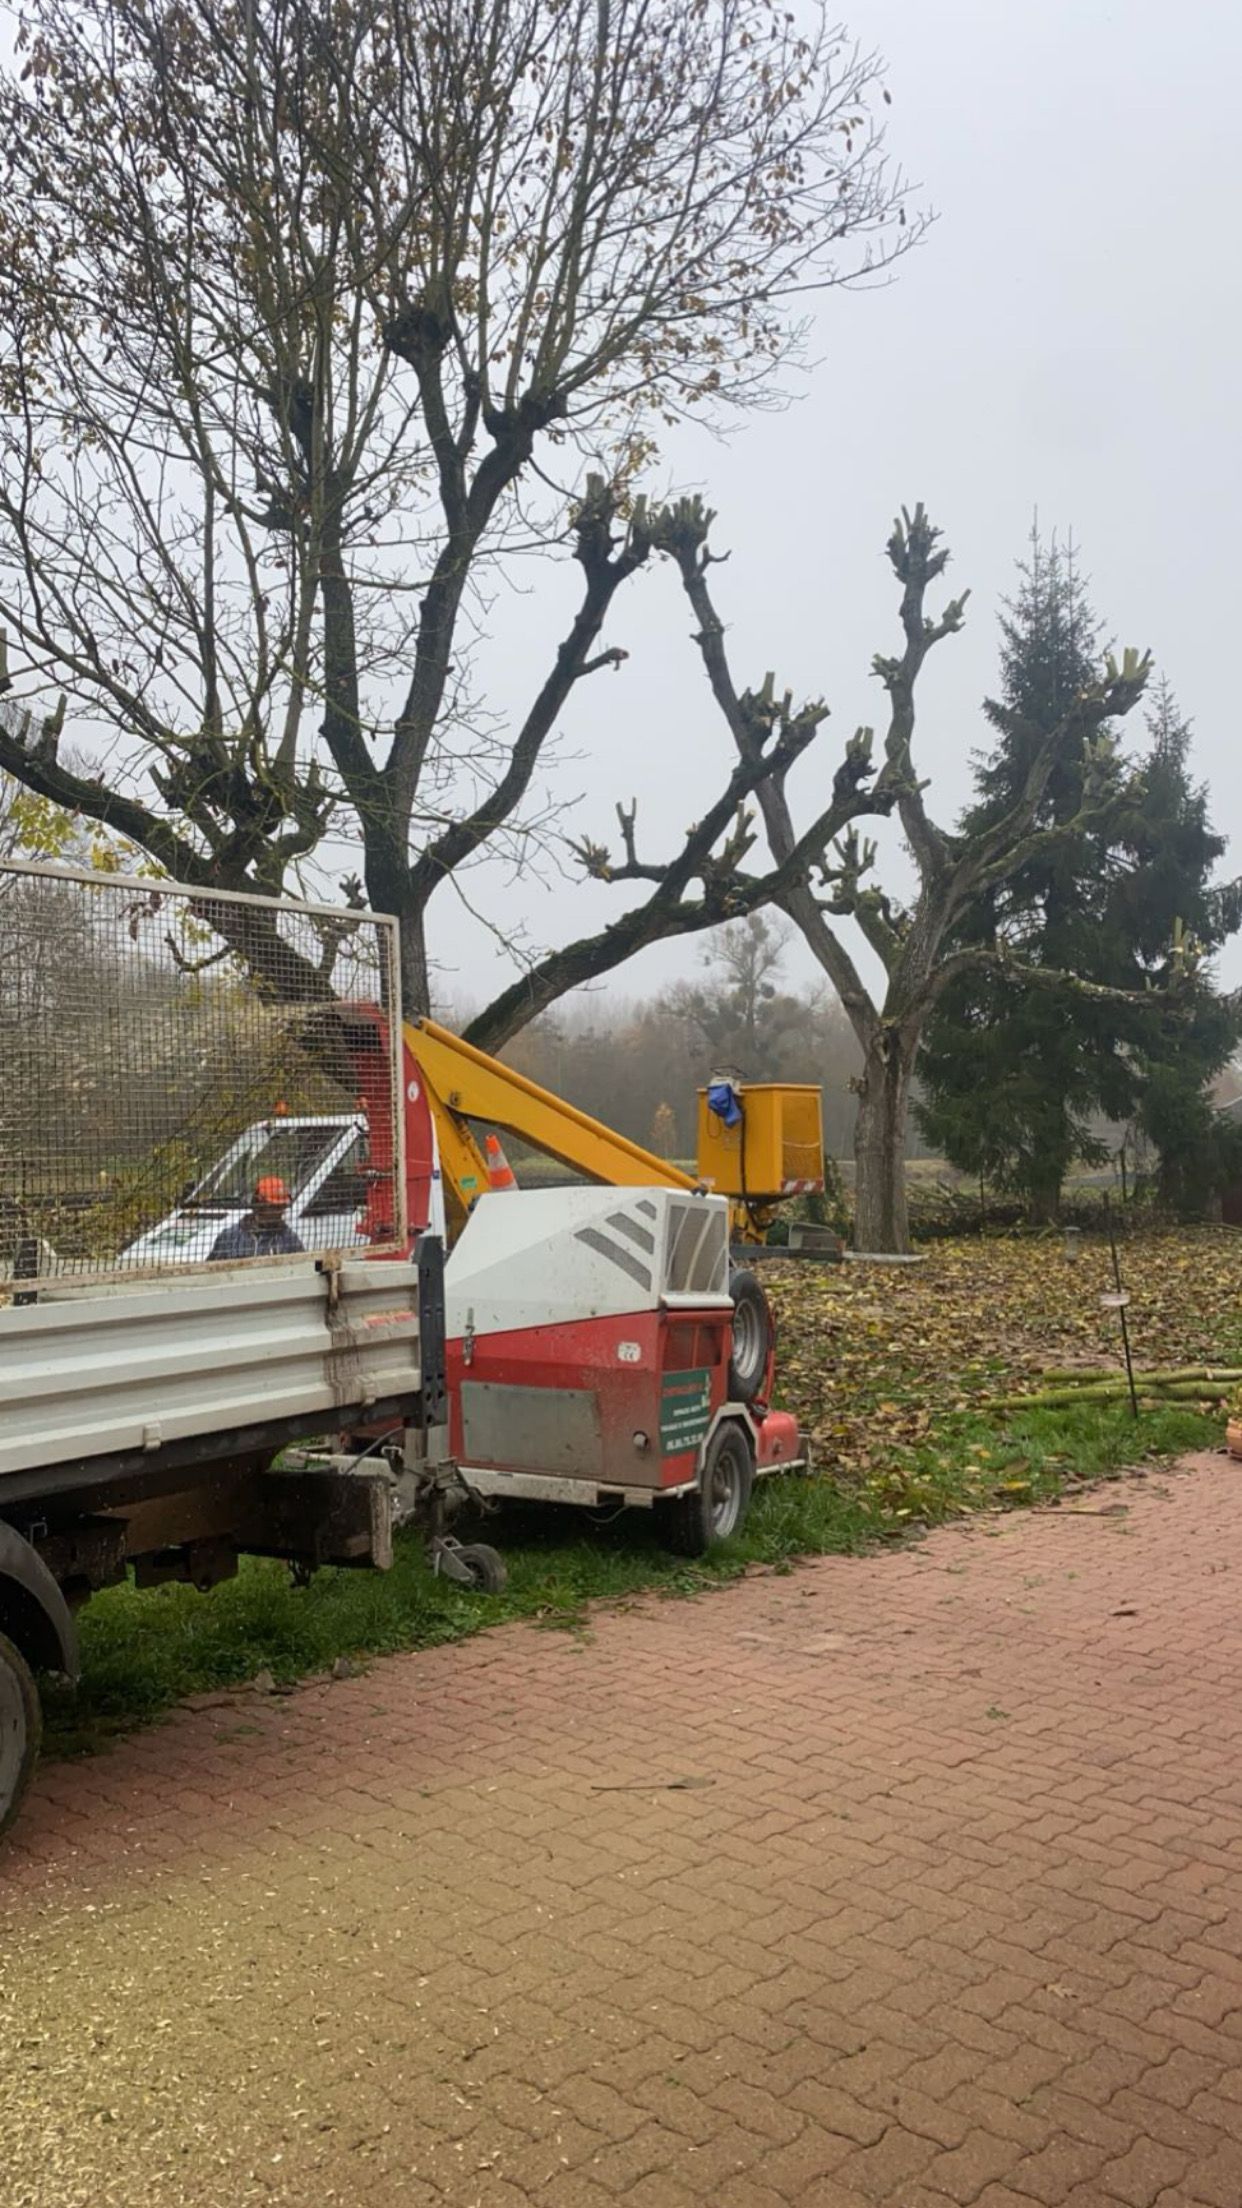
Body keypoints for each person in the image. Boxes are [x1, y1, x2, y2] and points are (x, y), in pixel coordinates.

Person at [208, 1176, 306, 1261]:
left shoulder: (289, 1240)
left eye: (282, 1207)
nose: (280, 1212)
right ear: (259, 1204)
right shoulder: (230, 1238)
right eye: (274, 1207)